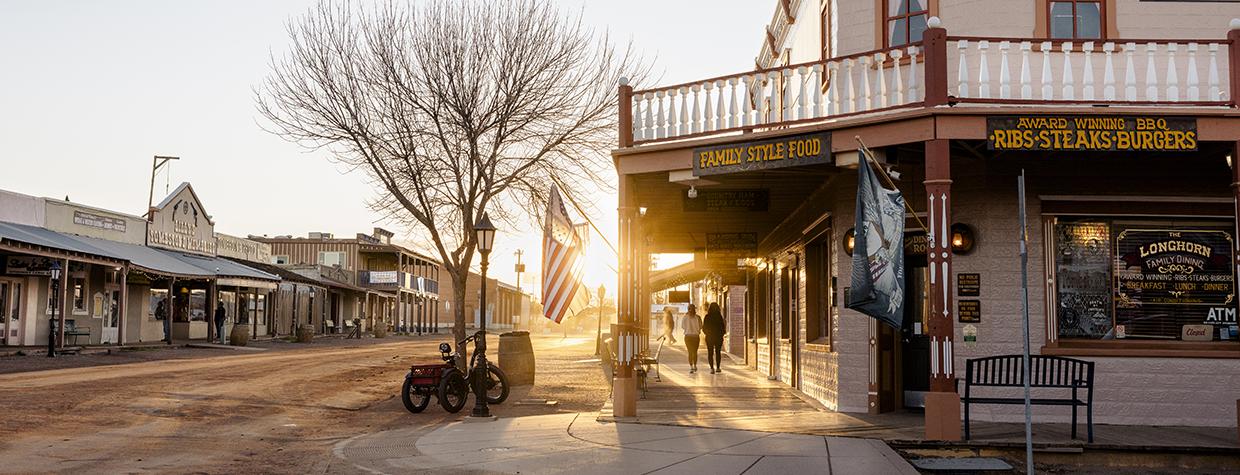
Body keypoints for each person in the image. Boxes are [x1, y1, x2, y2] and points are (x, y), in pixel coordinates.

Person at [702, 302, 726, 374]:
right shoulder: (719, 316)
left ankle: (712, 368)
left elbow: (704, 328)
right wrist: (721, 334)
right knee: (718, 352)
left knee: (710, 353)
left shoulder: (707, 316)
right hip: (718, 337)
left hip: (709, 337)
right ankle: (718, 367)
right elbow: (723, 327)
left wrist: (707, 333)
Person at [681, 304, 703, 373]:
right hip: (696, 337)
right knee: (695, 352)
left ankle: (691, 367)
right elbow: (700, 326)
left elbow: (683, 326)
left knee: (690, 352)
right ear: (694, 309)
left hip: (687, 337)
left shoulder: (685, 317)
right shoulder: (698, 317)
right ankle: (695, 365)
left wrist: (688, 329)